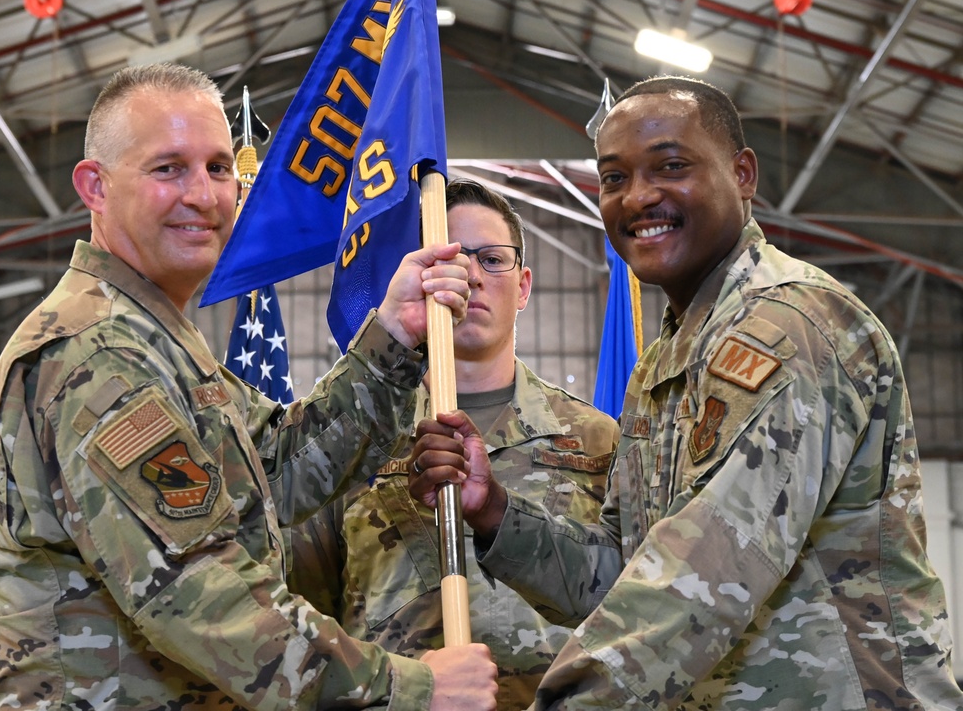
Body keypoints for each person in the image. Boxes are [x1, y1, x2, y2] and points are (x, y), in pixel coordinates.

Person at [409, 76, 963, 710]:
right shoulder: (661, 367)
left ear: (743, 173)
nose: (639, 197)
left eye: (671, 166)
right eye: (614, 179)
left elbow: (705, 572)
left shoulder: (790, 326)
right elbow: (618, 578)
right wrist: (497, 513)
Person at [0, 63, 498, 711]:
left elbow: (281, 468)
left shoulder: (155, 342)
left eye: (220, 168)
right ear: (95, 187)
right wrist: (412, 689)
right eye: (169, 169)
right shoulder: (96, 352)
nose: (203, 195)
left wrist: (394, 331)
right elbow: (199, 592)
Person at [288, 179, 620, 711]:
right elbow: (302, 610)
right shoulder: (353, 437)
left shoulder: (596, 438)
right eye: (451, 258)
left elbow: (627, 600)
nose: (470, 275)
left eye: (493, 259)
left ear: (526, 286)